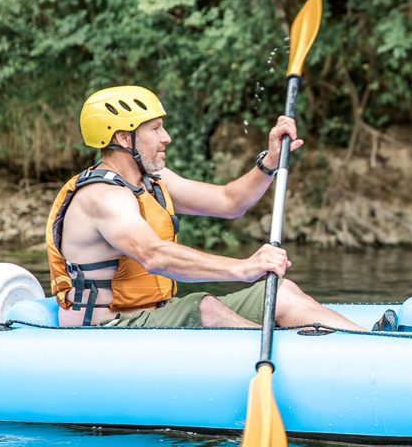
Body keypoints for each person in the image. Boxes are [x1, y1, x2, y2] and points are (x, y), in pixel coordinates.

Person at [45, 85, 366, 331]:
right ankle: (302, 359)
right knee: (205, 307)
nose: (166, 137)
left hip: (154, 318)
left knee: (281, 292)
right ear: (124, 138)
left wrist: (269, 161)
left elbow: (230, 202)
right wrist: (242, 268)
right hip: (105, 334)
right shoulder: (102, 197)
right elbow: (154, 255)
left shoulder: (153, 181)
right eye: (155, 129)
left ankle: (371, 344)